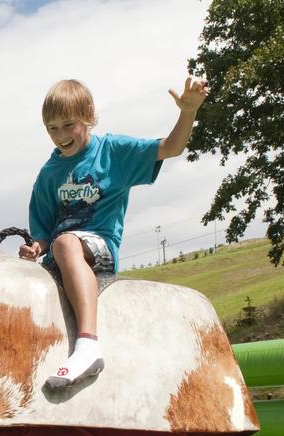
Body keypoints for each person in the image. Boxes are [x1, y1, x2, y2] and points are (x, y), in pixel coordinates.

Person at [20, 77, 209, 388]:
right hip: (58, 256)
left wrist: (187, 112)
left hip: (99, 249)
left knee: (66, 243)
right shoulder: (48, 175)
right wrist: (35, 248)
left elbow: (170, 148)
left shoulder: (113, 153)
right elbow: (42, 231)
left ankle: (88, 346)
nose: (61, 135)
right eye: (52, 128)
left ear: (89, 115)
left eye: (68, 125)